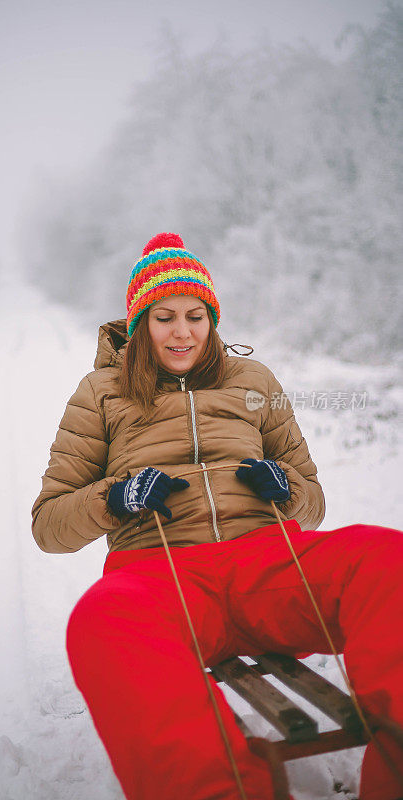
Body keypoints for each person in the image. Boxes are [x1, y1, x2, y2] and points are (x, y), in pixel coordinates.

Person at [31, 232, 403, 800]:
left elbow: (314, 500)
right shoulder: (100, 392)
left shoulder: (254, 383)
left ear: (213, 319)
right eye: (165, 316)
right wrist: (116, 497)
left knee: (387, 557)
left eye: (196, 315)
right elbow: (49, 525)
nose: (183, 332)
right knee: (101, 620)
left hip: (269, 567)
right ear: (138, 324)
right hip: (161, 576)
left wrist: (286, 489)